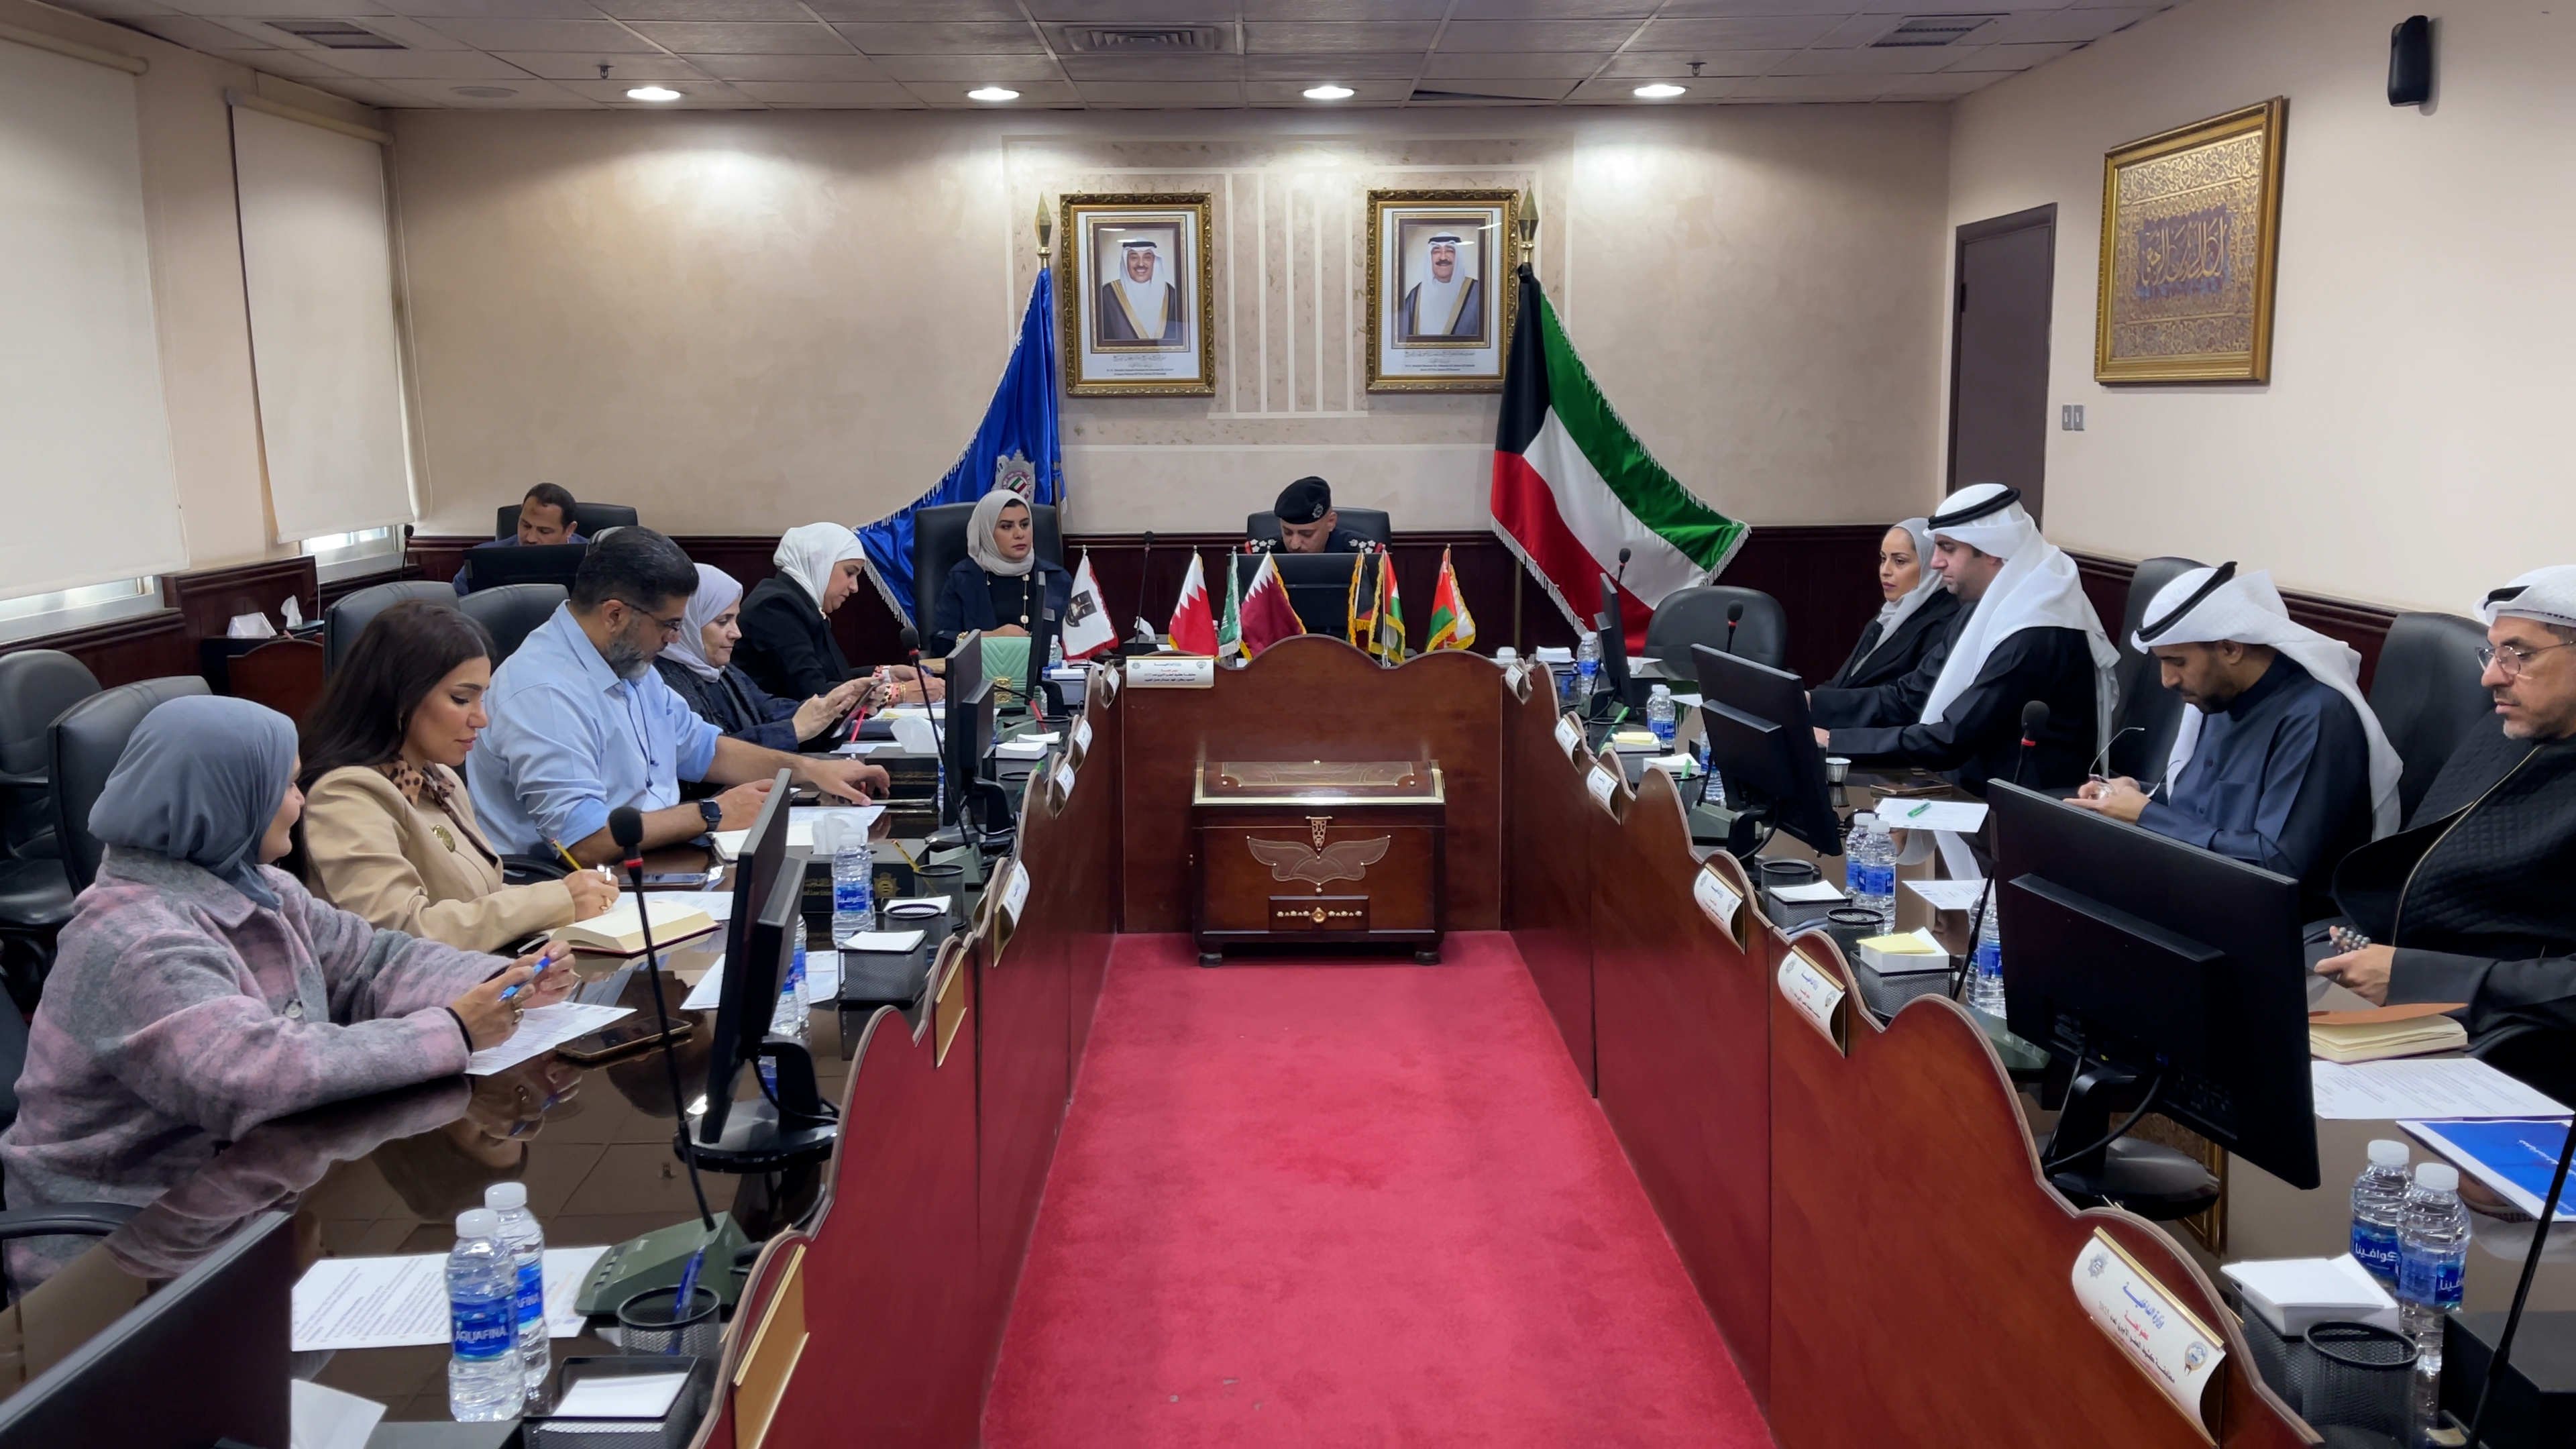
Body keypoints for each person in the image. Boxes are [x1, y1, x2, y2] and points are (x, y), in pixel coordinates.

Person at [0, 696, 571, 1288]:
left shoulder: (261, 887)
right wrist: (454, 1030)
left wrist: (500, 981)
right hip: (114, 1261)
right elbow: (255, 1074)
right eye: (290, 785)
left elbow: (373, 962)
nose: (301, 803)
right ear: (228, 798)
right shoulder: (136, 939)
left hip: (233, 1209)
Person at [466, 527, 890, 865]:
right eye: (669, 625)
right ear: (615, 614)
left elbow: (705, 749)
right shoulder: (545, 691)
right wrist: (711, 813)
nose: (674, 640)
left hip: (657, 859)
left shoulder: (628, 663)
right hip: (572, 890)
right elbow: (582, 842)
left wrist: (811, 771)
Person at [2315, 566, 2576, 1044]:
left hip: (2510, 1033)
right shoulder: (2503, 730)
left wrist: (2418, 977)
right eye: (2493, 653)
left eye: (2518, 655)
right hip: (2396, 982)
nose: (2490, 677)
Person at [2069, 564, 2397, 915]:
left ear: (2230, 649)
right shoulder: (2216, 696)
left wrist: (2147, 816)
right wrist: (2138, 793)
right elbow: (2202, 807)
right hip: (2192, 890)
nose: (2167, 680)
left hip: (2270, 920)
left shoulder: (2315, 717)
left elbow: (2277, 867)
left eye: (2177, 662)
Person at [297, 600, 620, 953]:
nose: (481, 719)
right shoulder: (345, 796)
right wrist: (555, 900)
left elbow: (479, 898)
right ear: (400, 697)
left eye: (483, 699)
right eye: (462, 699)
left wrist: (569, 897)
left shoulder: (438, 778)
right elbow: (399, 932)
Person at [1808, 482, 2116, 795]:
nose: (1935, 562)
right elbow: (1910, 697)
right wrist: (1808, 703)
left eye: (1948, 548)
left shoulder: (2037, 629)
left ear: (1993, 550)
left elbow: (1952, 738)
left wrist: (1833, 741)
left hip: (2019, 802)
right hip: (1969, 782)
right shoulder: (1979, 610)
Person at [657, 564, 871, 752]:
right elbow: (710, 757)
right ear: (688, 623)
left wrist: (838, 705)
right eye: (723, 622)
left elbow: (769, 710)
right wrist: (794, 730)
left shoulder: (724, 672)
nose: (736, 633)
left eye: (735, 620)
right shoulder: (664, 685)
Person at [736, 522, 935, 704]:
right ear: (819, 563)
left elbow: (832, 677)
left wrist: (887, 674)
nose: (855, 587)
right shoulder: (776, 607)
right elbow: (812, 692)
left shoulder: (800, 601)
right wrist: (897, 693)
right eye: (850, 572)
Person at [928, 489, 1076, 661]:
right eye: (1007, 527)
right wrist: (990, 638)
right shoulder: (963, 578)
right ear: (987, 533)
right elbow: (940, 643)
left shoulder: (1056, 578)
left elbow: (1077, 642)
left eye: (1025, 525)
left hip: (1044, 675)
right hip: (981, 675)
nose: (1019, 534)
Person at [1821, 517, 1960, 691]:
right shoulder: (1886, 617)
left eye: (1899, 561)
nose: (1885, 571)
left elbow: (1906, 698)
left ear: (1930, 565)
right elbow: (1844, 682)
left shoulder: (1944, 624)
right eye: (1883, 559)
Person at [455, 483, 584, 596]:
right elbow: (455, 605)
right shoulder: (482, 558)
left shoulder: (592, 557)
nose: (531, 538)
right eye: (526, 526)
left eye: (544, 531)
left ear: (570, 530)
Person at [1097, 237, 1183, 344]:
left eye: (1147, 258)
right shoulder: (1108, 294)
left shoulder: (1171, 294)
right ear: (1126, 261)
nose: (1141, 264)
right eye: (1134, 258)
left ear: (1154, 261)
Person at [1400, 233, 1483, 339]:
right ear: (1430, 258)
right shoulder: (1416, 295)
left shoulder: (1478, 292)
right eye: (1436, 252)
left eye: (1449, 251)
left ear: (1458, 257)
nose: (1443, 257)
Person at [1265, 476, 1371, 555]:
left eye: (1307, 534)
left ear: (1331, 522)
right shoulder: (1263, 554)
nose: (1295, 545)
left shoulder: (1364, 553)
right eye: (1287, 533)